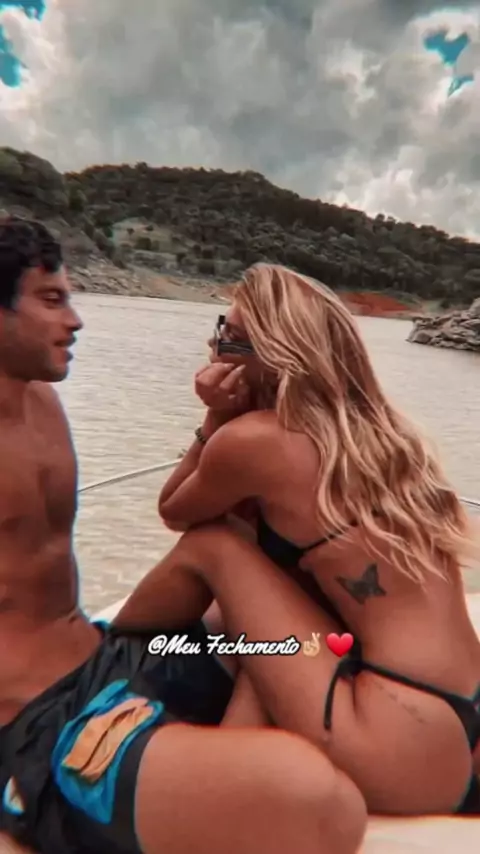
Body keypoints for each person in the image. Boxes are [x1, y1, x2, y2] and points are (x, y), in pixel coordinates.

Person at [0, 217, 366, 854]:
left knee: (294, 635)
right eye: (51, 300)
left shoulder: (42, 402)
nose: (76, 320)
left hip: (109, 658)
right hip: (37, 720)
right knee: (318, 803)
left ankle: (204, 758)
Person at [115, 262, 480, 817]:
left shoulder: (257, 440)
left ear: (273, 353)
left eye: (229, 337)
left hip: (396, 729)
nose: (214, 347)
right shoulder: (386, 438)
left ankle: (98, 663)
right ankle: (228, 767)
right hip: (457, 718)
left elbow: (176, 512)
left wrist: (214, 416)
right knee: (283, 617)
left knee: (214, 545)